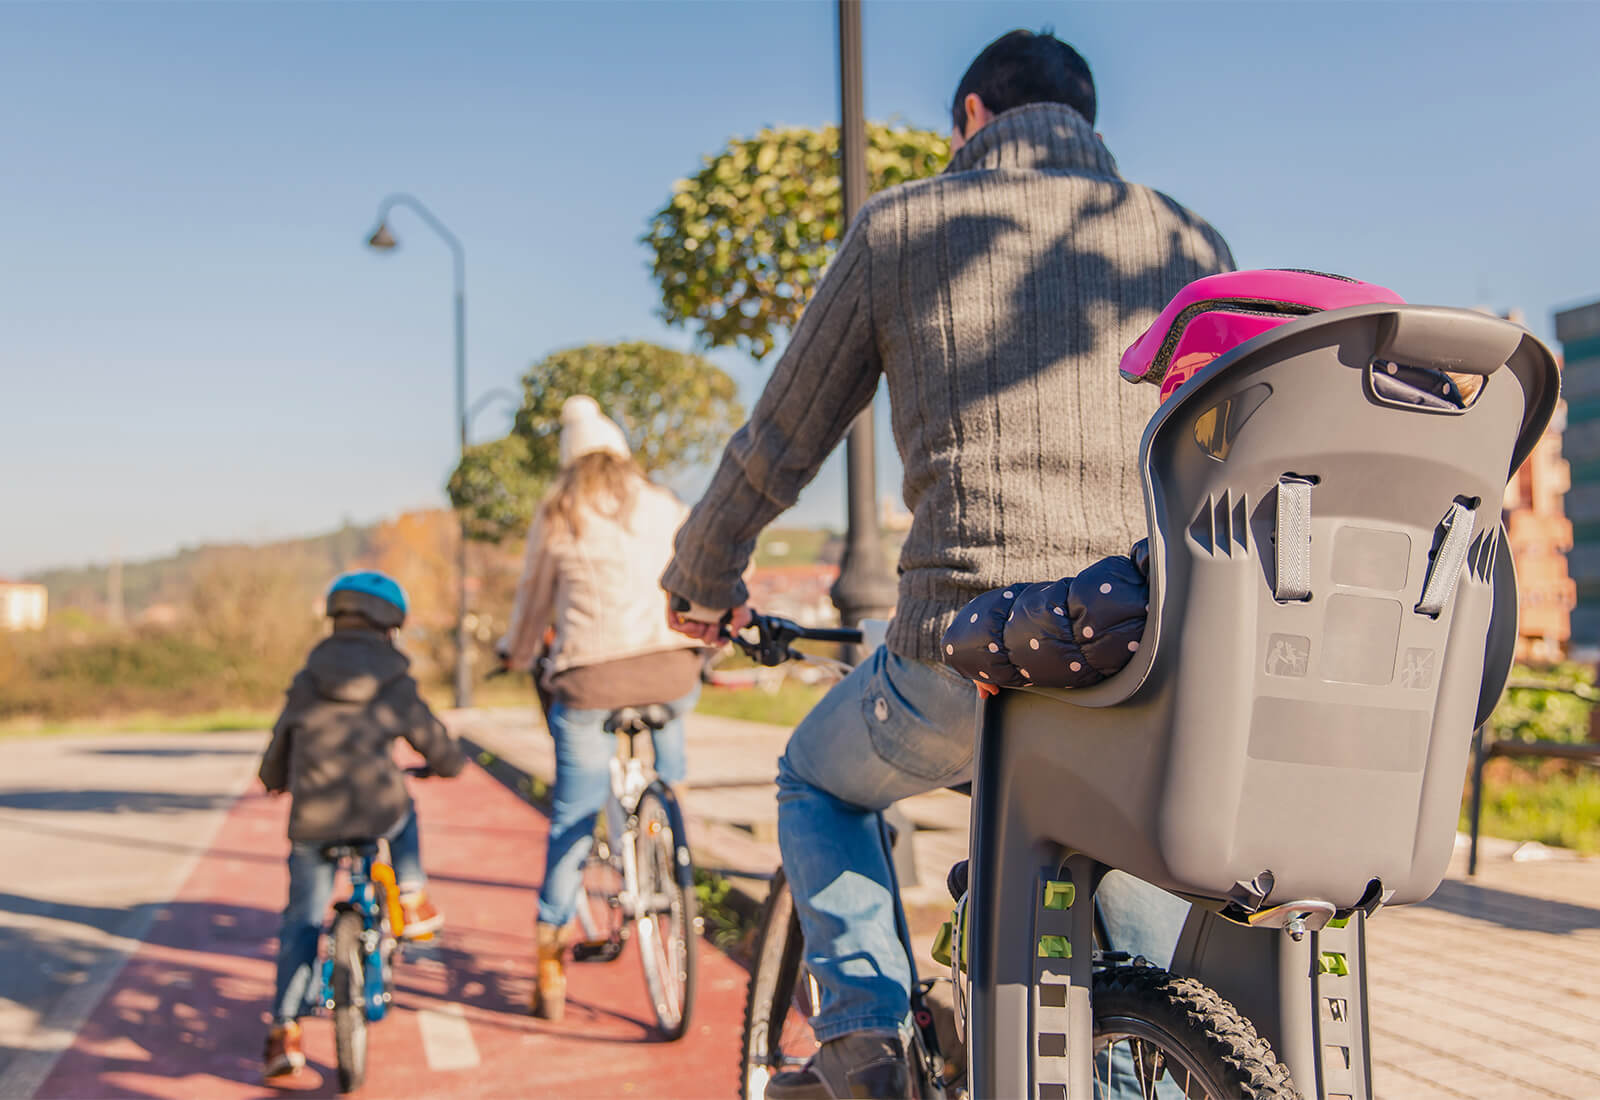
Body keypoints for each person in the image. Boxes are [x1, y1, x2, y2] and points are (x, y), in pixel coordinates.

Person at [664, 29, 1236, 1099]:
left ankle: (865, 1040)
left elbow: (779, 438)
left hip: (968, 651)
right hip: (1149, 657)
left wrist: (701, 577)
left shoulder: (903, 225)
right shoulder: (1187, 239)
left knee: (814, 780)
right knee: (1133, 987)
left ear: (972, 114)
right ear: (1085, 118)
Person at [498, 395, 704, 1021]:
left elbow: (533, 601)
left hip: (589, 679)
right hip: (671, 668)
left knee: (574, 814)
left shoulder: (561, 513)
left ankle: (550, 962)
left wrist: (516, 653)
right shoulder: (665, 502)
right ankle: (672, 826)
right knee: (672, 746)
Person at [258, 570, 467, 1081]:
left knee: (301, 921)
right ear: (390, 624)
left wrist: (274, 779)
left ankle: (286, 1030)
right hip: (377, 810)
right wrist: (446, 764)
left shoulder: (309, 677)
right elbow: (433, 742)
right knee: (404, 810)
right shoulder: (393, 678)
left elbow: (281, 742)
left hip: (313, 819)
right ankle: (411, 894)